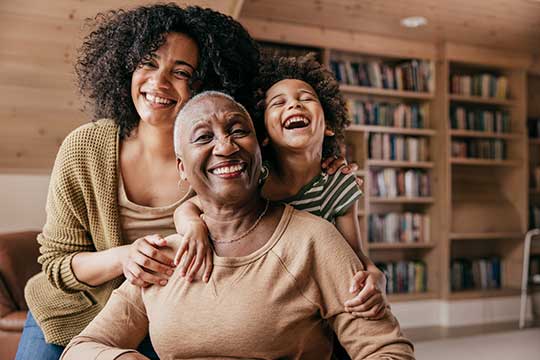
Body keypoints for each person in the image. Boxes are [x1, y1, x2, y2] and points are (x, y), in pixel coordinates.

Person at [60, 91, 415, 360]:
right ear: (183, 168)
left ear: (260, 150)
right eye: (203, 137)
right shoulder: (163, 257)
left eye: (237, 131)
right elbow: (81, 348)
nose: (225, 146)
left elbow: (387, 351)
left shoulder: (313, 240)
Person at [16, 4, 260, 360]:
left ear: (206, 84)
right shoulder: (85, 148)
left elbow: (288, 196)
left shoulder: (224, 158)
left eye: (181, 72)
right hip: (70, 314)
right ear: (125, 67)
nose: (158, 82)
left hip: (168, 321)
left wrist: (329, 163)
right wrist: (125, 257)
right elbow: (56, 263)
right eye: (148, 63)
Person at [174, 53, 388, 319]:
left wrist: (377, 277)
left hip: (312, 300)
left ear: (329, 124)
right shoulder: (253, 178)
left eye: (306, 98)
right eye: (279, 102)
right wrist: (193, 226)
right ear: (262, 135)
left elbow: (354, 255)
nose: (294, 105)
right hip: (255, 295)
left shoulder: (339, 184)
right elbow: (189, 208)